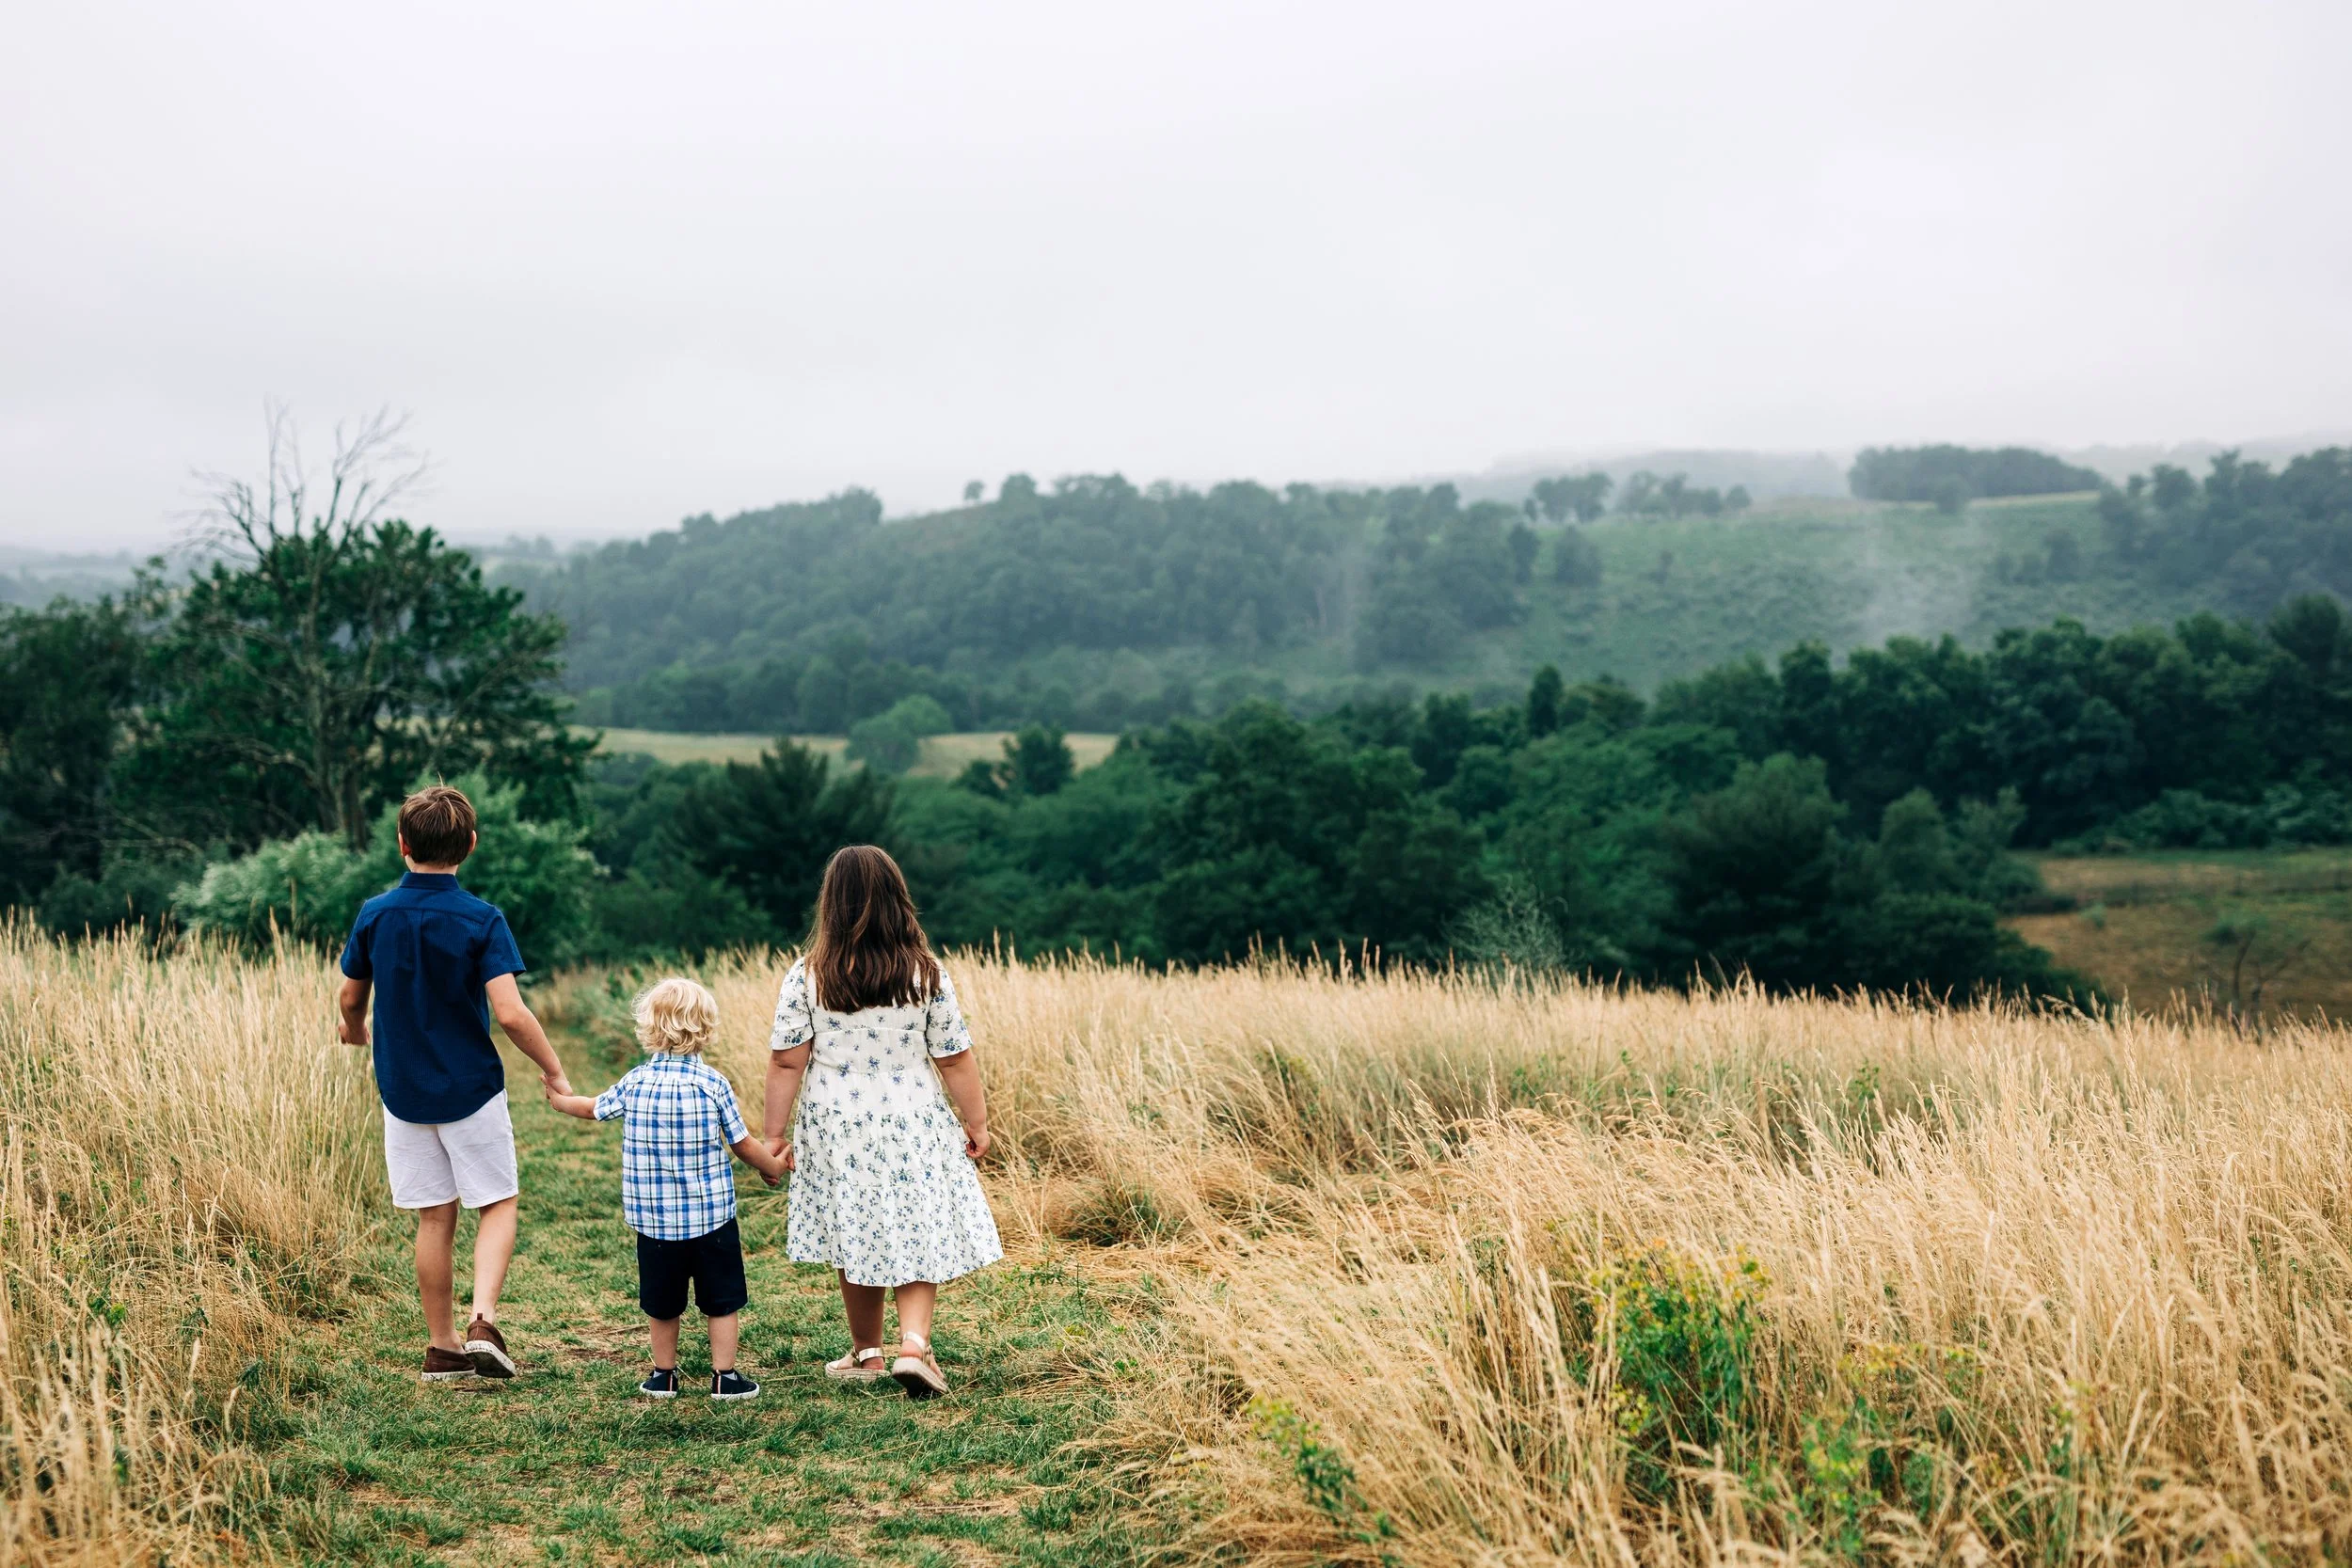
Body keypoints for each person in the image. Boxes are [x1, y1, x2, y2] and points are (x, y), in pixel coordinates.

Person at [337, 784, 572, 1384]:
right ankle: (483, 1319)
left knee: (434, 1218)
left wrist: (354, 1027)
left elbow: (349, 992)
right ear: (469, 844)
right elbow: (511, 1013)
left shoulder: (374, 914)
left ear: (401, 843)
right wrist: (551, 1069)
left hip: (403, 1092)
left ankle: (441, 1347)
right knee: (497, 1203)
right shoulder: (481, 919)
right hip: (470, 1088)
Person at [764, 845, 1000, 1399]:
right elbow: (954, 1056)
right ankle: (913, 1347)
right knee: (916, 1225)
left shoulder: (807, 974)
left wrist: (774, 1136)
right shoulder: (926, 972)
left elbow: (785, 1059)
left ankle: (867, 1352)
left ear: (832, 905)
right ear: (899, 902)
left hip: (837, 1123)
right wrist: (978, 1122)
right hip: (913, 1116)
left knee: (855, 1226)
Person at [546, 976, 787, 1400]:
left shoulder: (635, 1082)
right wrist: (774, 1167)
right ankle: (725, 1377)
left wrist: (562, 1100)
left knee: (661, 1302)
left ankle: (664, 1375)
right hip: (711, 1220)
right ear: (705, 1029)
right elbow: (744, 1144)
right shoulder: (713, 1085)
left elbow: (593, 1108)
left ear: (648, 1028)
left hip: (653, 1223)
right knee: (723, 1300)